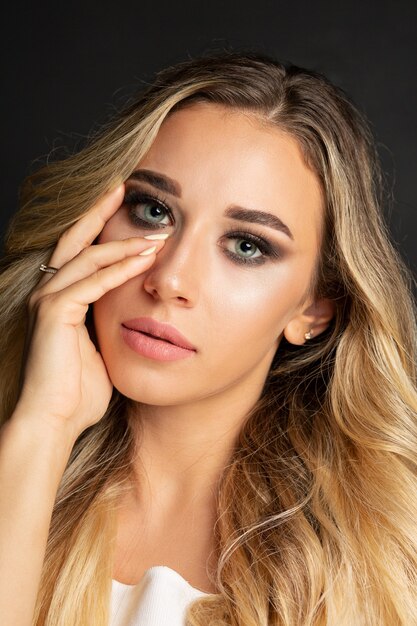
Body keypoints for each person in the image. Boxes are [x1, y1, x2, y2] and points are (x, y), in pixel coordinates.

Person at [0, 49, 416, 626]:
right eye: (151, 210)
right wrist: (42, 426)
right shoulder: (18, 459)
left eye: (247, 245)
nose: (169, 279)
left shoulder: (390, 558)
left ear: (314, 311)